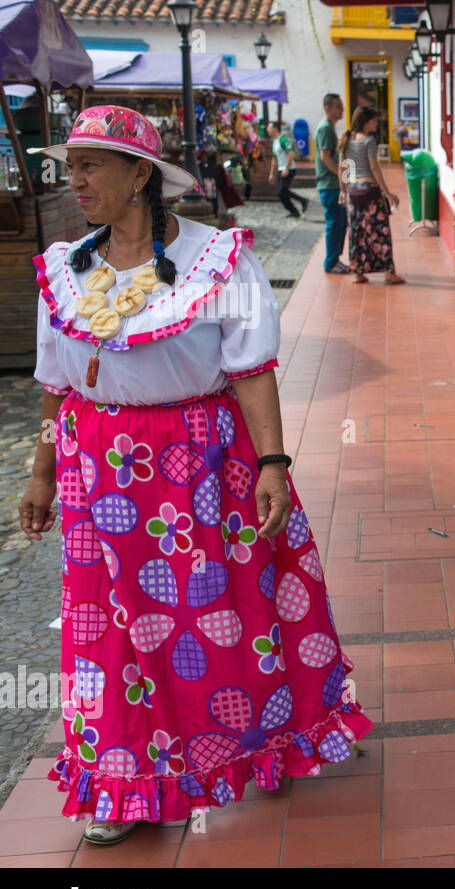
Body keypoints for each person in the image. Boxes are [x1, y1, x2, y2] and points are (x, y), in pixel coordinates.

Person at [18, 105, 373, 846]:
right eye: (70, 165)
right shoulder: (65, 269)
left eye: (90, 165)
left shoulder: (218, 259)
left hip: (201, 464)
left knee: (240, 610)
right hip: (100, 476)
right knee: (110, 634)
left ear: (140, 173)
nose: (73, 180)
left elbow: (252, 371)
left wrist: (273, 461)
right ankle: (127, 785)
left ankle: (284, 735)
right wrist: (42, 472)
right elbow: (57, 382)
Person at [339, 107, 404, 285]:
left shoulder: (347, 141)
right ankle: (389, 273)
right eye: (375, 121)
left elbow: (344, 168)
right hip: (369, 191)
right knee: (381, 231)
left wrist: (343, 191)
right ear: (366, 122)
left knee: (356, 232)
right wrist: (387, 193)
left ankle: (358, 273)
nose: (377, 124)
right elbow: (374, 168)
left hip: (353, 191)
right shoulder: (369, 141)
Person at [315, 94, 349, 275]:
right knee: (335, 223)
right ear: (328, 108)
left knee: (340, 223)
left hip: (332, 184)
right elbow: (325, 156)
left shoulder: (329, 128)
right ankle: (331, 262)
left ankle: (335, 258)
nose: (341, 110)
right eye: (338, 107)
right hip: (329, 184)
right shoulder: (325, 128)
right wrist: (339, 174)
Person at [267, 120, 309, 218]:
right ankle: (294, 210)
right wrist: (271, 173)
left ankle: (303, 201)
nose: (267, 130)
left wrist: (287, 168)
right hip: (280, 169)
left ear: (275, 129)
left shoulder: (284, 140)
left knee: (282, 191)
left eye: (269, 127)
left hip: (289, 169)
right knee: (280, 193)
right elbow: (274, 159)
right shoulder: (275, 142)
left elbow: (291, 154)